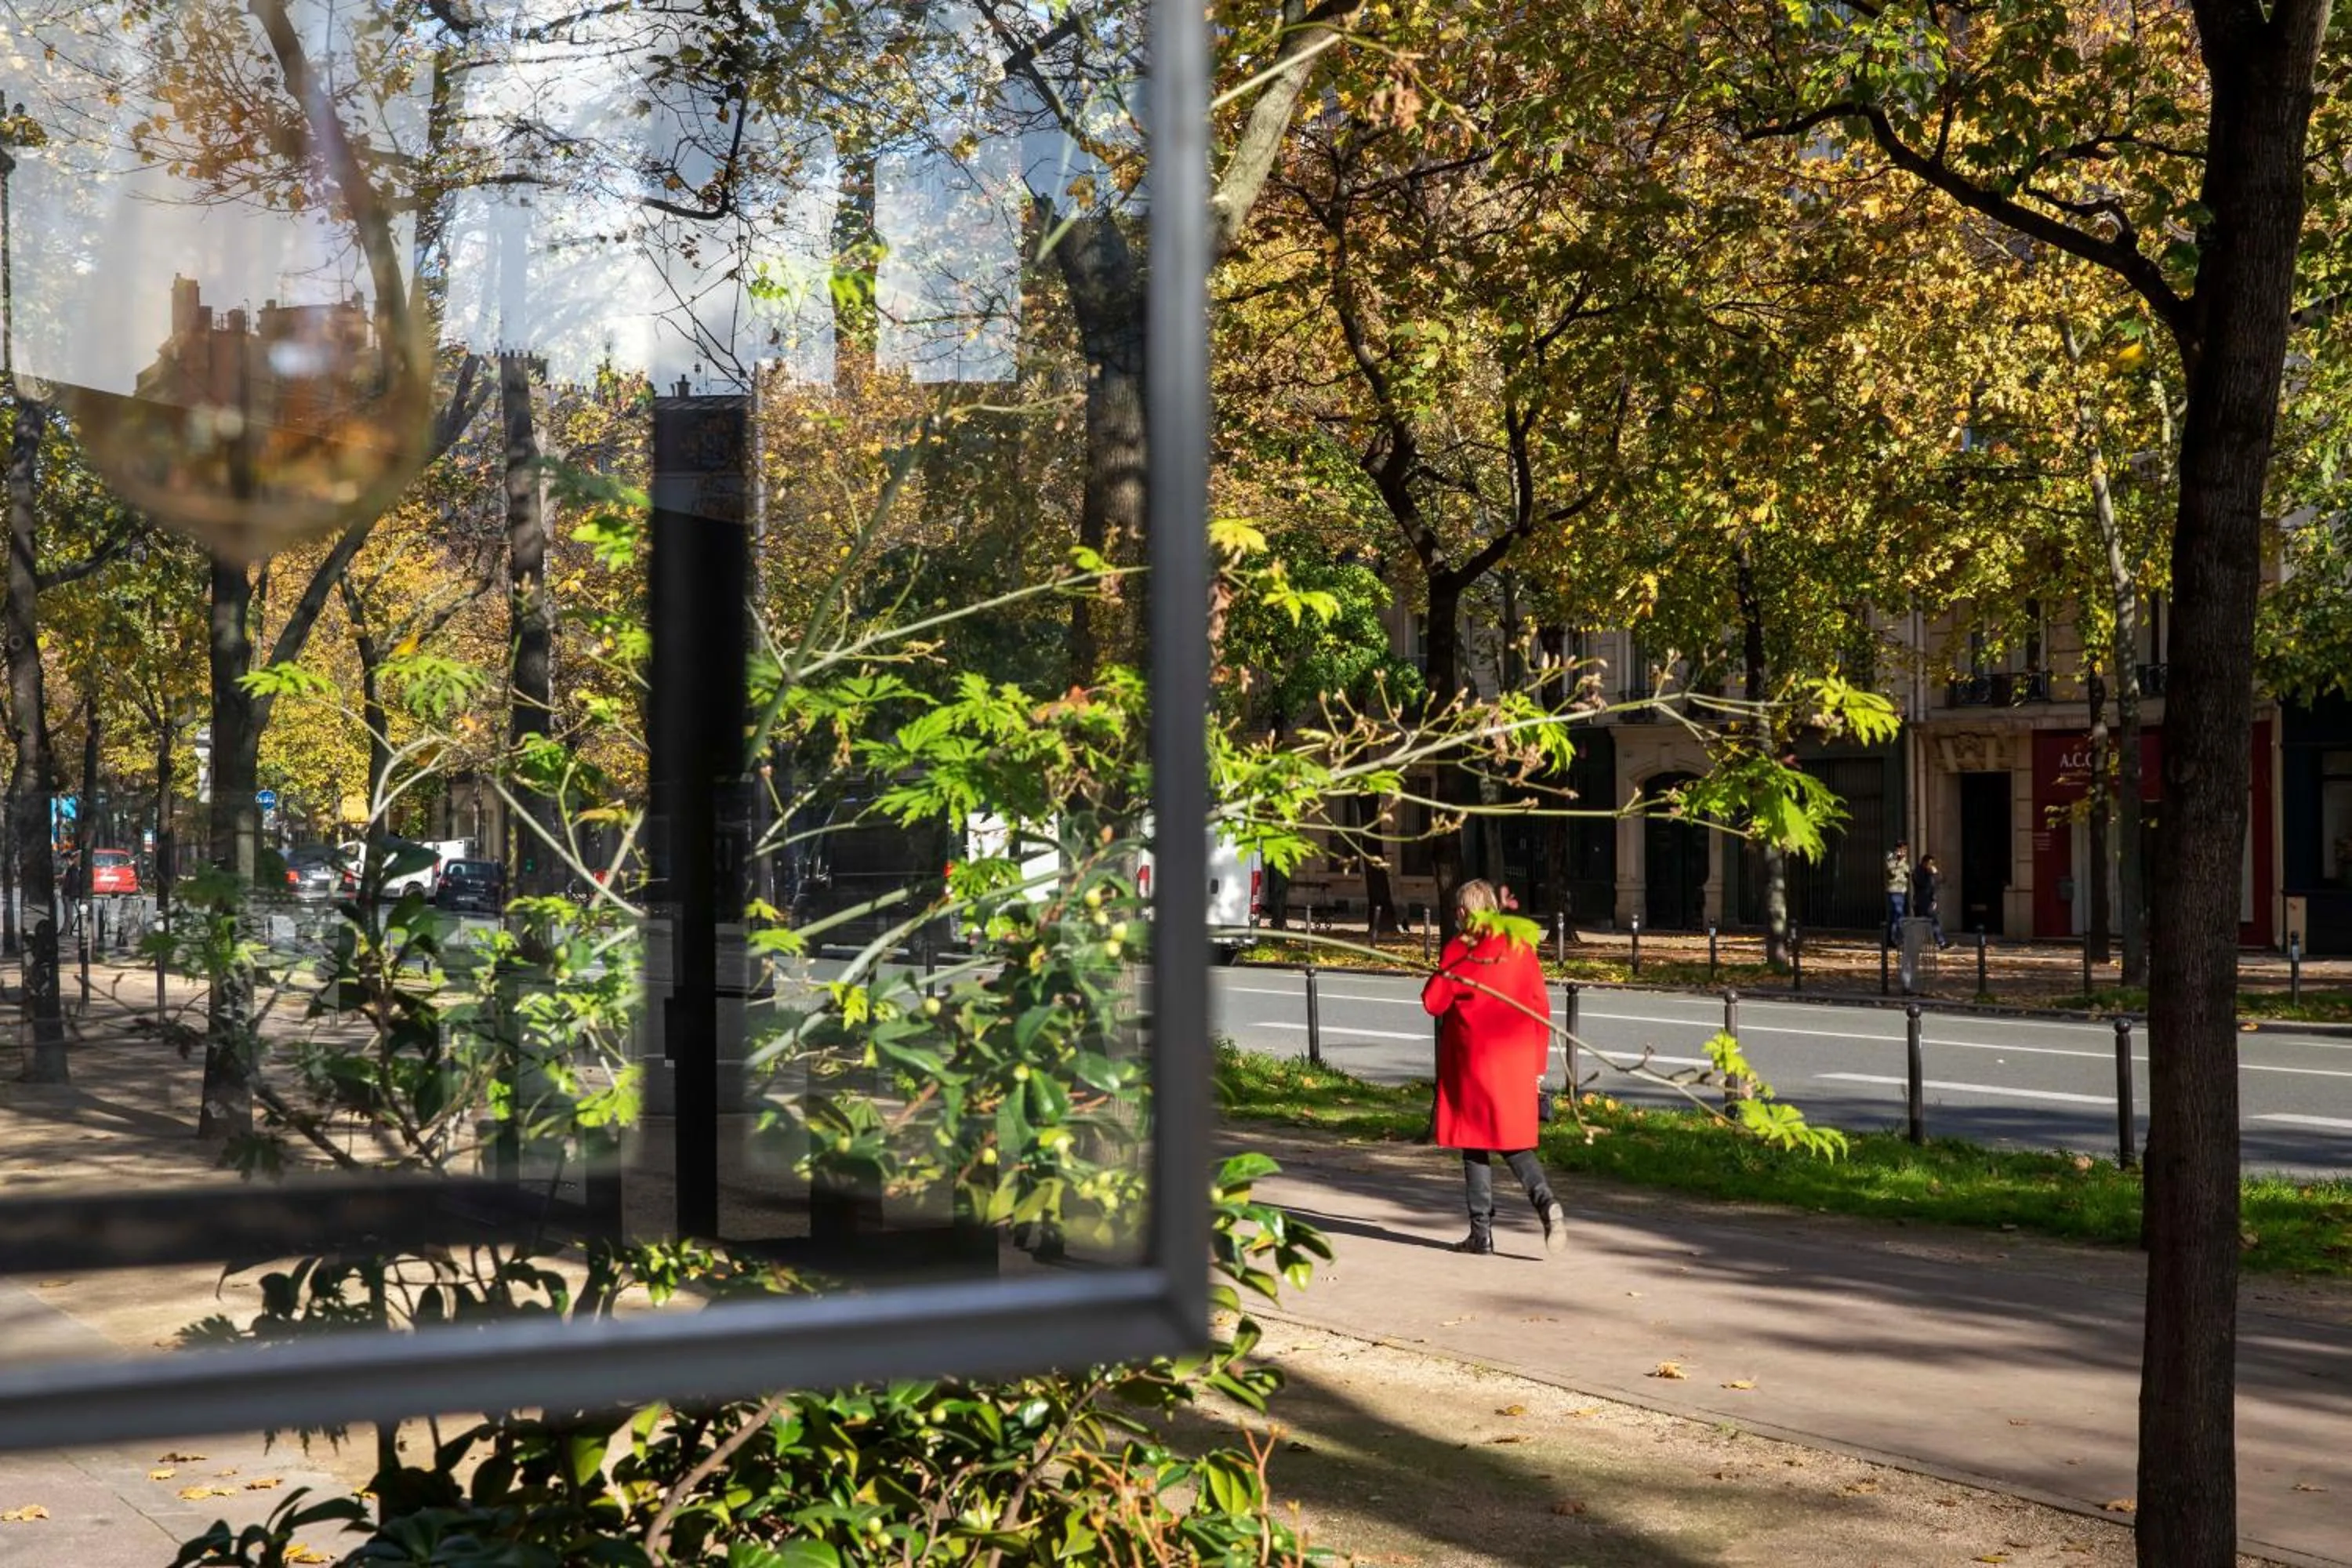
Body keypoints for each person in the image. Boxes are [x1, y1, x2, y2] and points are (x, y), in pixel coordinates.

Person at [1421, 879, 1567, 1256]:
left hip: (1473, 1061)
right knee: (1512, 1141)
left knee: (1474, 1144)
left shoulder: (1460, 948)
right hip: (1516, 1059)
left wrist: (1442, 968)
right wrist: (1538, 1066)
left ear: (1462, 912)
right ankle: (1546, 1202)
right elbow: (1540, 1006)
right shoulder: (1520, 946)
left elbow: (1434, 1003)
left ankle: (1480, 1234)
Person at [1914, 853, 1951, 950]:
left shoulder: (1929, 873)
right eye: (1929, 863)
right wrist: (1931, 874)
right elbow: (1924, 884)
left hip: (1929, 901)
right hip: (1921, 901)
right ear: (1924, 863)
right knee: (1926, 923)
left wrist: (1934, 900)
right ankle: (1939, 942)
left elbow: (1935, 885)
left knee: (1932, 922)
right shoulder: (1918, 872)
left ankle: (1941, 942)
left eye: (1932, 864)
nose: (1931, 866)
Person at [1884, 839, 1911, 947]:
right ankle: (1897, 938)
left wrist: (1903, 861)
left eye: (1905, 849)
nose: (1904, 851)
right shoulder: (1891, 858)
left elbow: (1907, 872)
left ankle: (1890, 940)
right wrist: (1899, 861)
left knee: (1894, 917)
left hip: (1902, 891)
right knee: (1898, 915)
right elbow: (1891, 872)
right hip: (1894, 891)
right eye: (1902, 848)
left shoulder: (1905, 860)